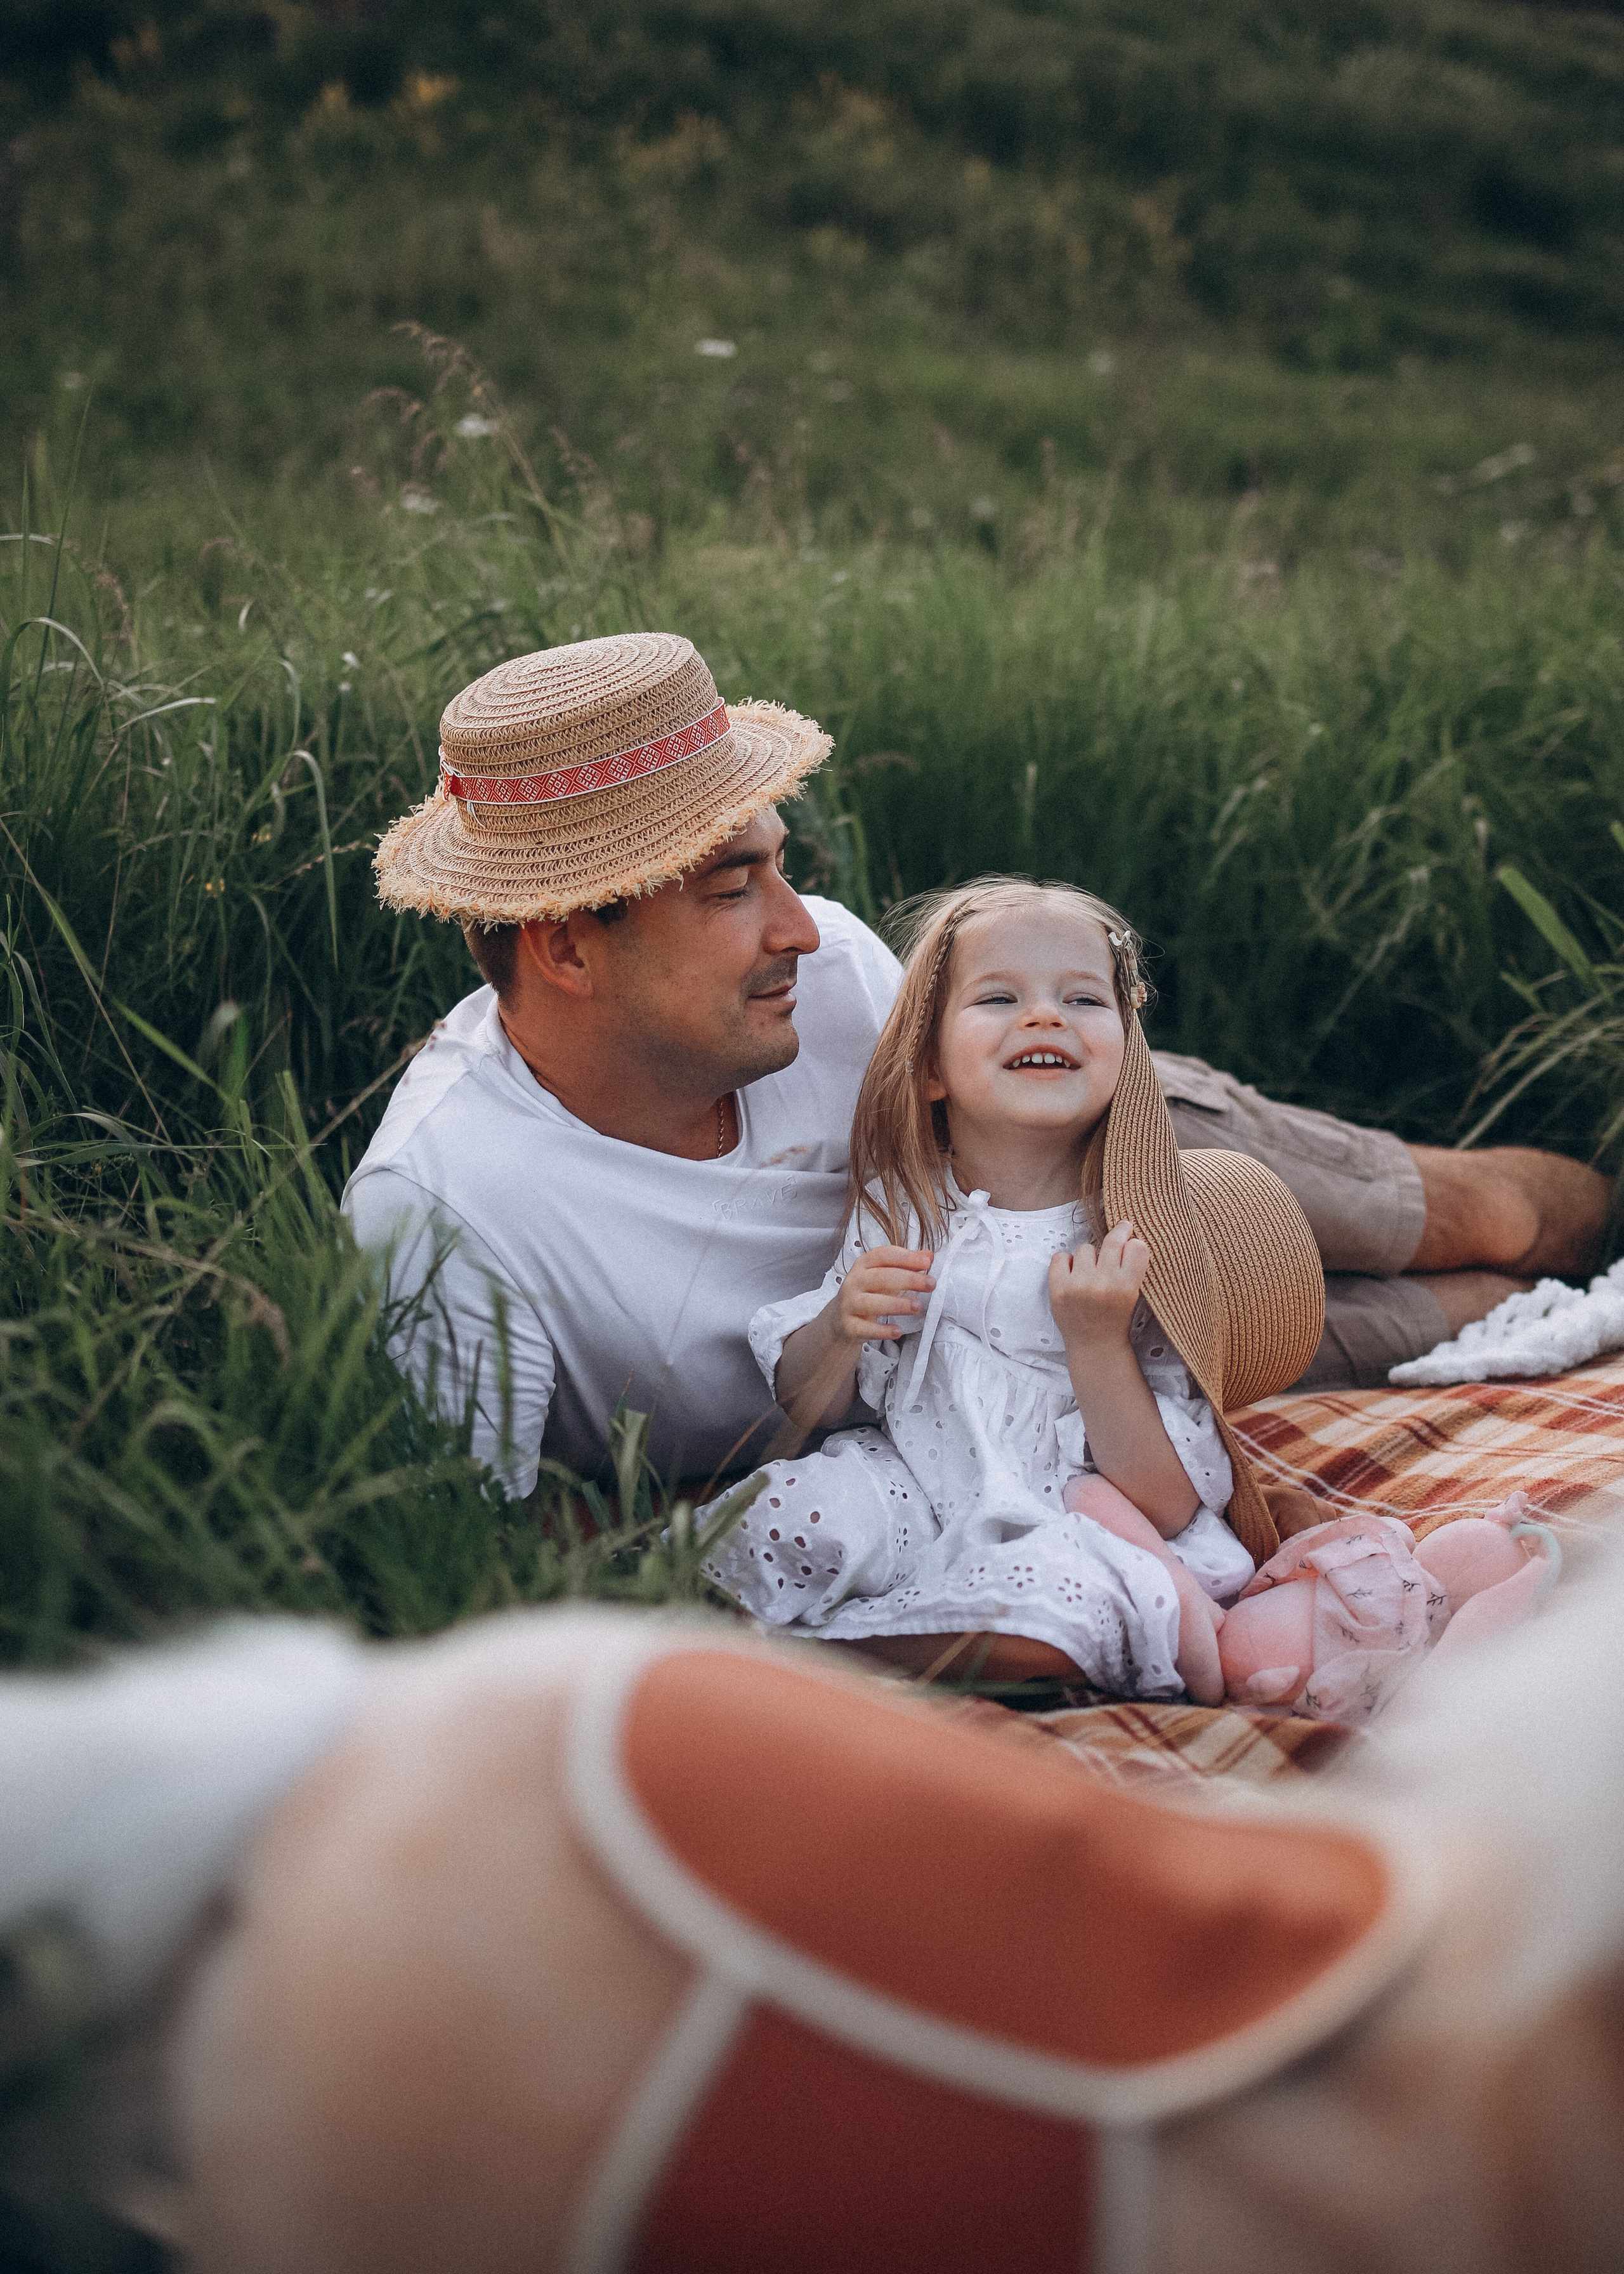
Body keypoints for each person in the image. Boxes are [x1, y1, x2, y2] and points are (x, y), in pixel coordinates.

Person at [344, 629, 1612, 1503]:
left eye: (779, 864)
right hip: (1021, 1367)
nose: (800, 923)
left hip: (1079, 1139)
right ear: (566, 945)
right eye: (736, 888)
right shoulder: (450, 1216)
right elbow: (490, 1550)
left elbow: (1003, 1124)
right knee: (1452, 1316)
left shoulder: (831, 970)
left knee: (1485, 1211)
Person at [698, 876, 1324, 1699]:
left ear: (1126, 1049)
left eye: (1083, 999)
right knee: (785, 1514)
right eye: (1000, 996)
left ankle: (842, 1652)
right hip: (919, 1489)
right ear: (929, 1067)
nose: (1045, 1016)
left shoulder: (1132, 1244)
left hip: (1075, 1521)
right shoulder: (903, 1205)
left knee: (1075, 1603)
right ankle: (813, 1624)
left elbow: (1168, 1505)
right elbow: (814, 1407)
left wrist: (1098, 1341)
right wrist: (842, 1326)